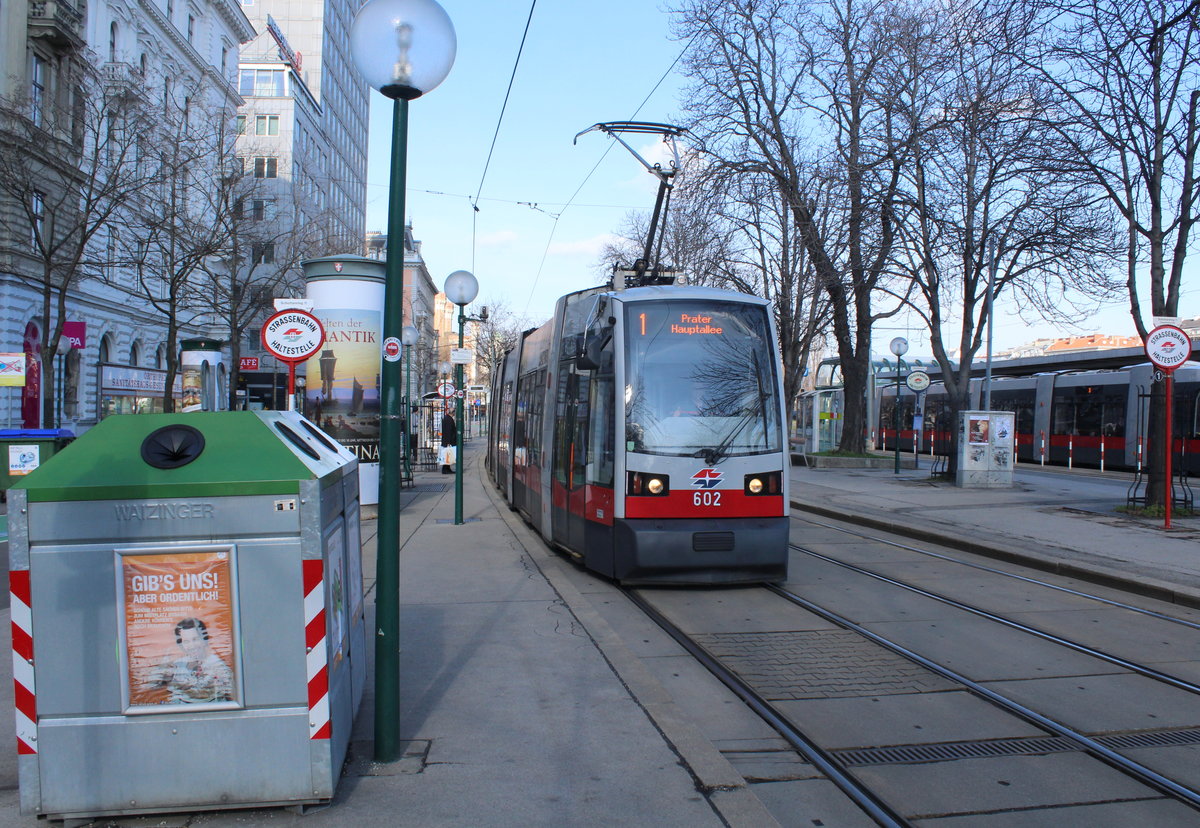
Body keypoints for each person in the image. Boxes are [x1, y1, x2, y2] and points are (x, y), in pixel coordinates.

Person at [147, 617, 234, 704]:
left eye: (195, 639)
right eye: (186, 641)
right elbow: (152, 685)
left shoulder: (216, 663)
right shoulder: (177, 663)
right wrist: (165, 665)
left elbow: (232, 690)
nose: (192, 646)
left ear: (204, 639)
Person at [440, 408, 457, 474]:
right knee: (447, 455)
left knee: (447, 456)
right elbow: (449, 431)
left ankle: (447, 468)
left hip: (446, 441)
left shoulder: (446, 418)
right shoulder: (449, 419)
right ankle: (445, 469)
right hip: (448, 441)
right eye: (454, 412)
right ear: (452, 413)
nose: (454, 414)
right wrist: (449, 442)